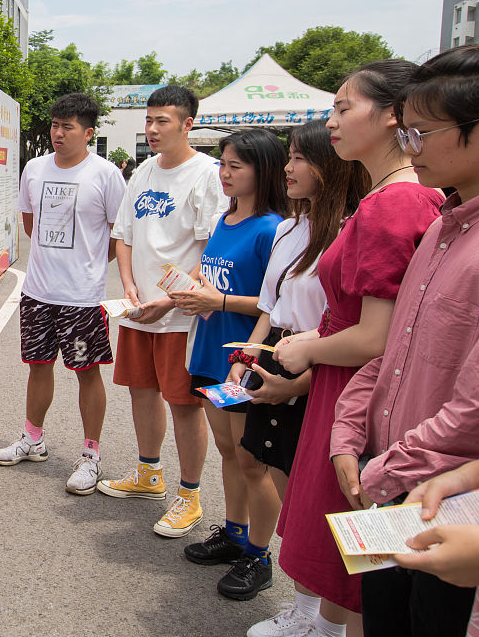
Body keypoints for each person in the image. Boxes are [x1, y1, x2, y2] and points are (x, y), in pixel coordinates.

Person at [329, 38, 479, 637]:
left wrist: (384, 468)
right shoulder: (442, 227)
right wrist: (350, 432)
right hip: (395, 487)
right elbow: (393, 353)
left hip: (458, 509)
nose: (410, 149)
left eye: (421, 133)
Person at [263, 59, 443, 637]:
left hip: (357, 386)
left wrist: (309, 349)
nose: (331, 122)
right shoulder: (389, 197)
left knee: (354, 542)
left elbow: (378, 336)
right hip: (346, 379)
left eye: (344, 108)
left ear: (393, 116)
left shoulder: (395, 203)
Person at [217, 121, 365, 621]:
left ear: (329, 166)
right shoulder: (287, 227)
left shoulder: (350, 229)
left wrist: (298, 383)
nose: (288, 167)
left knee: (313, 497)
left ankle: (320, 618)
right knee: (272, 473)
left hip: (319, 367)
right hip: (277, 358)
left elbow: (355, 329)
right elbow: (270, 307)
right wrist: (246, 358)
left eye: (299, 157)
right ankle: (302, 607)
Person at [99, 85, 229, 539]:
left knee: (184, 404)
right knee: (140, 390)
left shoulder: (208, 174)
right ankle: (148, 474)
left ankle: (190, 495)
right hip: (139, 307)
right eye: (149, 121)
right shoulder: (143, 172)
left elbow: (216, 243)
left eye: (163, 122)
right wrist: (131, 287)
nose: (152, 130)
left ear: (187, 124)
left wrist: (171, 298)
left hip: (182, 312)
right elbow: (125, 233)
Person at [169, 129, 289, 595]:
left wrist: (217, 301)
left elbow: (274, 301)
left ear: (265, 170)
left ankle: (259, 556)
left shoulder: (272, 228)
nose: (224, 172)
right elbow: (211, 272)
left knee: (252, 460)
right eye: (222, 163)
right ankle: (235, 533)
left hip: (244, 358)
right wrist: (191, 286)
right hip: (209, 353)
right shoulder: (225, 218)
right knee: (227, 451)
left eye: (236, 165)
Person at [0, 93, 126, 494]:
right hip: (37, 291)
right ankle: (32, 439)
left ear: (87, 132)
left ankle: (91, 456)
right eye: (54, 124)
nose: (58, 133)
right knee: (37, 365)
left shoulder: (104, 175)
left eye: (68, 126)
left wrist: (89, 269)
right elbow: (31, 225)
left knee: (86, 372)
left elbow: (119, 236)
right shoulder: (33, 169)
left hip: (82, 297)